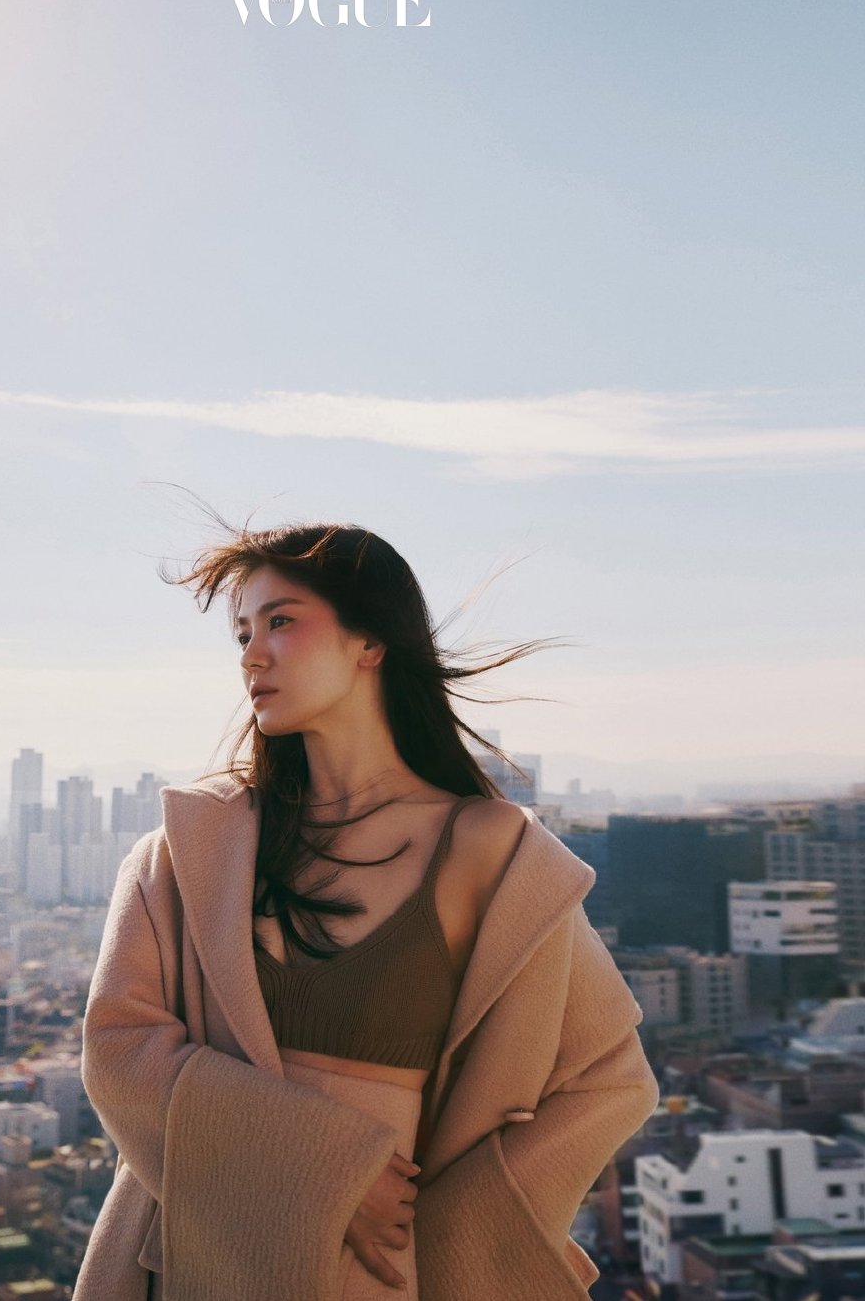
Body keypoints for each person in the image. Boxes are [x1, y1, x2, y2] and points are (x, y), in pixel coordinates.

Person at [75, 519, 660, 1301]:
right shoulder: (189, 850)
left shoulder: (491, 853)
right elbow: (118, 1050)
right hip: (195, 1264)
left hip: (388, 1274)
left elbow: (609, 1079)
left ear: (371, 641)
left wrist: (460, 1235)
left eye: (281, 620)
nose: (251, 653)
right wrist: (324, 1169)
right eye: (243, 631)